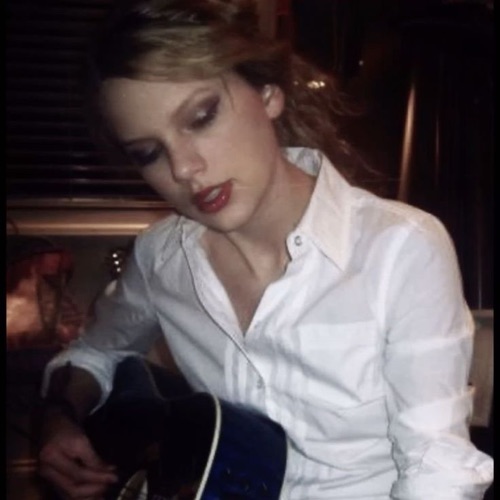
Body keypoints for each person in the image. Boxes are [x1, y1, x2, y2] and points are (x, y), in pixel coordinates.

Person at [37, 0, 493, 498]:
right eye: (148, 153)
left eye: (201, 117)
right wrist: (60, 418)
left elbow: (437, 467)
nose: (184, 168)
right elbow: (97, 352)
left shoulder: (400, 249)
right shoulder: (159, 258)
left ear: (269, 93)